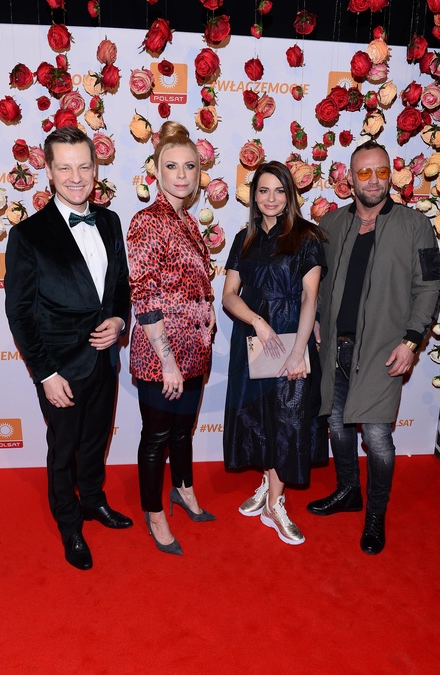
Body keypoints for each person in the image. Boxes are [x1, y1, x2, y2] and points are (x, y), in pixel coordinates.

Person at [5, 126, 132, 571]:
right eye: (64, 168)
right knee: (63, 449)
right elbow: (20, 313)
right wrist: (45, 373)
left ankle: (93, 500)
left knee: (96, 439)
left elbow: (120, 285)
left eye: (83, 167)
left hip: (105, 359)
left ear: (95, 169)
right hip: (59, 367)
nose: (75, 178)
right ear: (49, 171)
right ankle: (69, 523)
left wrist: (119, 320)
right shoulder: (28, 235)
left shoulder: (110, 222)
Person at [307, 139, 440, 555]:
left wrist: (412, 341)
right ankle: (348, 490)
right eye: (364, 172)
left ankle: (376, 514)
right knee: (337, 424)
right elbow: (317, 281)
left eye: (381, 172)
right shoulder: (330, 223)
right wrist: (315, 319)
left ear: (391, 177)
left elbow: (430, 287)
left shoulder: (416, 226)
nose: (373, 180)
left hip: (384, 350)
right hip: (335, 348)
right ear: (350, 178)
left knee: (378, 438)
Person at [222, 161, 327, 545]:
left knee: (287, 420)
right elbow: (229, 295)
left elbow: (310, 298)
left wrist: (298, 352)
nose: (271, 199)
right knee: (259, 418)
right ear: (254, 196)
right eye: (263, 191)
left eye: (279, 191)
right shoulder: (244, 238)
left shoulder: (307, 237)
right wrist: (258, 322)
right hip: (253, 340)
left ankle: (274, 505)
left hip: (291, 338)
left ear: (290, 195)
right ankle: (270, 485)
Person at [127, 121, 216, 556]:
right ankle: (154, 512)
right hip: (160, 356)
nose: (182, 175)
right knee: (157, 437)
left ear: (199, 173)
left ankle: (183, 489)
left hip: (196, 350)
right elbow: (143, 297)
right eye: (172, 166)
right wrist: (167, 361)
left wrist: (209, 308)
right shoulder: (147, 221)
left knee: (183, 432)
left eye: (190, 166)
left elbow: (194, 282)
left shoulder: (188, 221)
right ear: (157, 171)